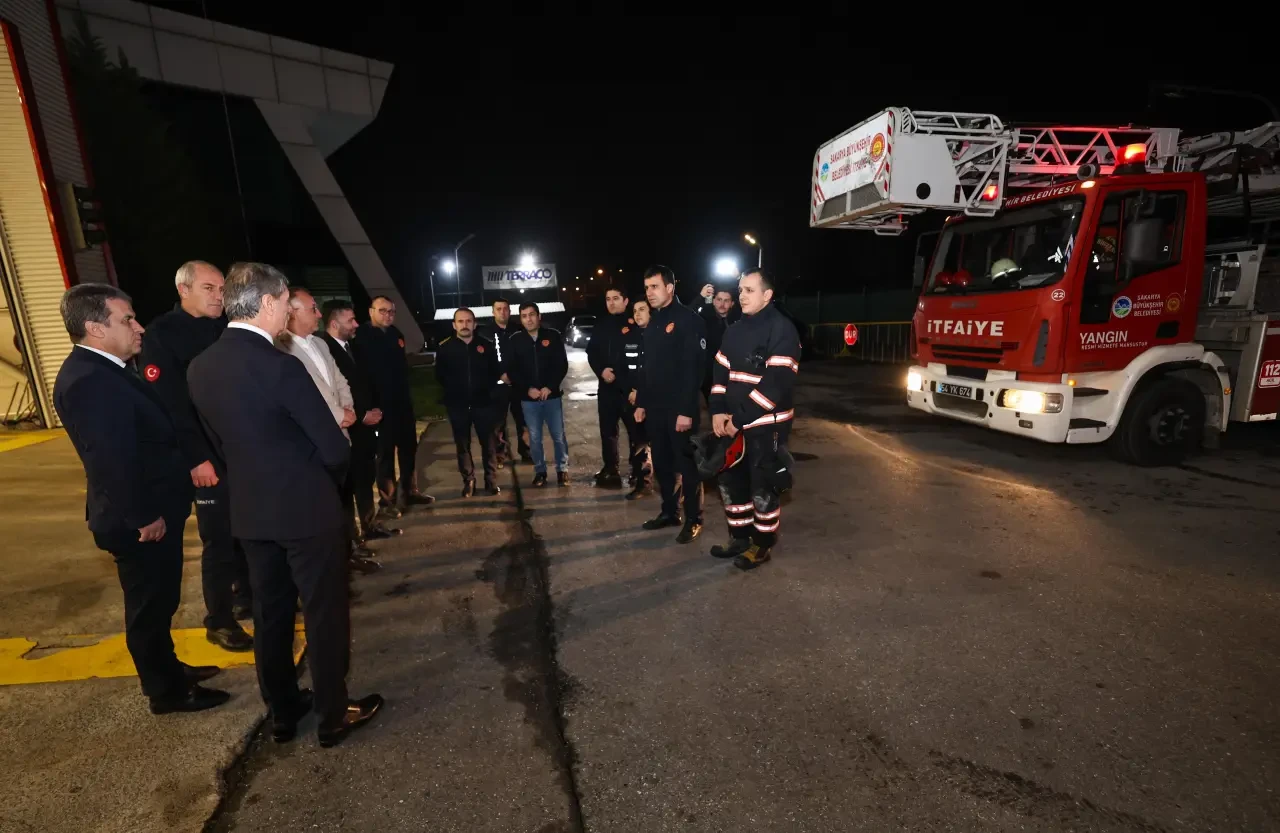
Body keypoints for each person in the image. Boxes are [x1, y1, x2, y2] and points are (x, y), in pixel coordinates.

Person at [188, 263, 382, 748]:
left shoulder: (200, 366)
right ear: (268, 302)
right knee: (322, 611)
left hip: (250, 511)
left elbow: (218, 442)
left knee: (271, 612)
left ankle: (282, 708)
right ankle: (335, 713)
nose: (286, 315)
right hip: (306, 509)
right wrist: (322, 480)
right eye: (283, 304)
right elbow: (335, 448)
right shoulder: (280, 365)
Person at [54, 284, 229, 714]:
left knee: (161, 601)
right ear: (95, 328)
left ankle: (168, 669)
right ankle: (166, 693)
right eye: (126, 320)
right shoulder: (91, 381)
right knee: (148, 609)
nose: (139, 327)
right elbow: (110, 459)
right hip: (139, 520)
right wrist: (142, 516)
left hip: (152, 511)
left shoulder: (110, 369)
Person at [137, 261, 253, 652]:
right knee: (218, 538)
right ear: (184, 290)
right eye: (209, 288)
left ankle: (247, 598)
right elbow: (170, 405)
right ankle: (219, 620)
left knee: (249, 528)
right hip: (205, 455)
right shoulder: (162, 334)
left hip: (240, 448)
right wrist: (196, 458)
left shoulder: (225, 329)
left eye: (222, 288)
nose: (219, 295)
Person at [278, 290, 380, 576]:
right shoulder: (283, 348)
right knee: (323, 508)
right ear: (294, 311)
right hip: (315, 442)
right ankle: (331, 563)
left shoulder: (320, 344)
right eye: (313, 308)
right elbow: (308, 393)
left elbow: (339, 380)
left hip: (340, 436)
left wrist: (347, 409)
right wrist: (339, 415)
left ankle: (347, 554)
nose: (319, 314)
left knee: (344, 500)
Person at [709, 269, 801, 570]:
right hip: (733, 422)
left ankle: (762, 546)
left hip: (766, 426)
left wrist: (739, 419)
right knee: (732, 481)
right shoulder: (734, 330)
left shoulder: (782, 330)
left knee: (763, 487)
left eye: (749, 290)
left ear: (767, 295)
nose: (742, 295)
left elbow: (775, 385)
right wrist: (718, 410)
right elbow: (720, 370)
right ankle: (740, 538)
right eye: (741, 290)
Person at [319, 300, 399, 558]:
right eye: (350, 320)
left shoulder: (353, 346)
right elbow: (336, 392)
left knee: (365, 480)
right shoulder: (325, 350)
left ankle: (369, 525)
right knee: (347, 487)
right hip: (346, 428)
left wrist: (373, 411)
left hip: (364, 426)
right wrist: (362, 415)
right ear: (334, 323)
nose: (356, 325)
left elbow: (365, 383)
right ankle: (351, 540)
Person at [634, 265, 707, 543]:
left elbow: (693, 370)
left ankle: (693, 518)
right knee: (663, 464)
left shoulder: (688, 320)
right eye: (647, 287)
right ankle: (669, 511)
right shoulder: (653, 322)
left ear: (670, 287)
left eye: (654, 286)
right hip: (656, 409)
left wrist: (686, 411)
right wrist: (641, 402)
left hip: (680, 411)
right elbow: (646, 368)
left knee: (687, 467)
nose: (649, 293)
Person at [355, 295, 433, 514]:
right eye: (382, 311)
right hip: (380, 407)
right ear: (371, 311)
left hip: (402, 405)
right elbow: (362, 376)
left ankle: (409, 491)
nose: (387, 315)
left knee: (409, 450)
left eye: (391, 311)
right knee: (385, 456)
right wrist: (369, 407)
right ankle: (388, 501)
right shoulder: (361, 336)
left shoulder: (396, 334)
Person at [435, 308, 505, 496]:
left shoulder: (486, 345)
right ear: (454, 325)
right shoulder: (445, 347)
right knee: (462, 445)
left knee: (488, 445)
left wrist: (486, 391)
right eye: (460, 321)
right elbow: (440, 375)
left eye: (468, 321)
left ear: (474, 324)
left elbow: (495, 372)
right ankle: (469, 481)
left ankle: (490, 481)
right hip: (457, 405)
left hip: (483, 404)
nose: (464, 325)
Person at [586, 287, 648, 490]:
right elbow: (592, 352)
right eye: (608, 299)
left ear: (625, 300)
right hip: (607, 389)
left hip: (629, 390)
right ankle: (610, 468)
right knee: (608, 431)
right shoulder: (601, 324)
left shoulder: (634, 323)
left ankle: (637, 472)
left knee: (635, 432)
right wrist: (601, 371)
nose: (611, 303)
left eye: (615, 299)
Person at [506, 302, 569, 487]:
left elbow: (561, 364)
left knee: (558, 435)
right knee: (534, 438)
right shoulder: (515, 340)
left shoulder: (553, 336)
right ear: (521, 319)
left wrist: (550, 386)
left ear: (539, 316)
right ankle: (540, 471)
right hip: (529, 399)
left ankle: (562, 470)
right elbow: (513, 370)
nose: (529, 319)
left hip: (552, 397)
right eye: (524, 316)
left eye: (532, 314)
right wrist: (527, 389)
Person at [483, 297, 532, 466]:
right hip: (497, 386)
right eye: (498, 309)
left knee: (524, 421)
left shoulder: (519, 330)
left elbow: (526, 357)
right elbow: (485, 361)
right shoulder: (486, 333)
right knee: (498, 424)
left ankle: (527, 452)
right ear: (493, 311)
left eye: (505, 309)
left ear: (510, 311)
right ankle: (499, 456)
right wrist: (499, 375)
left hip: (519, 385)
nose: (502, 312)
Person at [697, 283, 740, 406]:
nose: (722, 304)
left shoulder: (739, 321)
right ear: (713, 301)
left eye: (726, 301)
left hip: (733, 378)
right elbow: (686, 318)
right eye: (719, 300)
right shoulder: (704, 320)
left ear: (732, 303)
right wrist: (700, 297)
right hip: (710, 377)